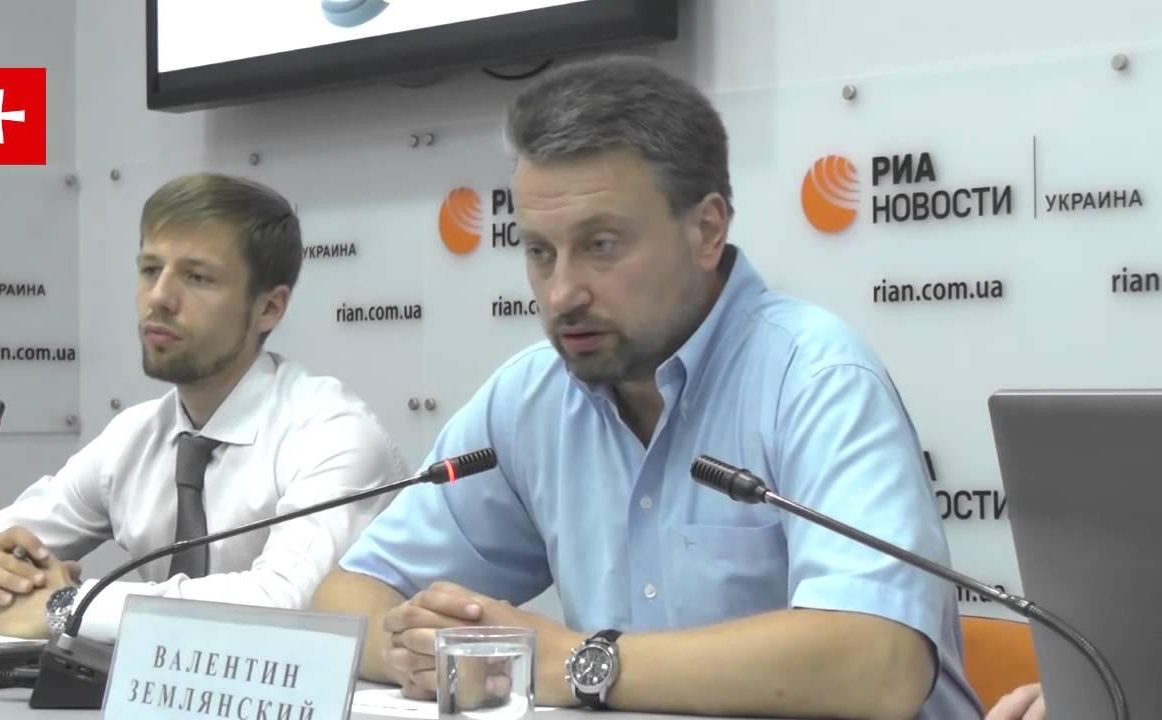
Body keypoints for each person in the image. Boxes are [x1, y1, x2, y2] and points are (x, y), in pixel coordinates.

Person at [312, 56, 983, 719]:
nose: (562, 293)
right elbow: (347, 599)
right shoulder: (531, 397)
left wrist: (574, 662)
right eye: (540, 252)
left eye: (601, 246)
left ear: (707, 231)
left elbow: (878, 664)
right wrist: (419, 651)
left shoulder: (814, 377)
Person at [0, 173, 407, 643]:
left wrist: (66, 606)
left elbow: (287, 606)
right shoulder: (134, 437)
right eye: (151, 270)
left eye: (197, 277)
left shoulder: (334, 436)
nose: (159, 297)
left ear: (269, 308)